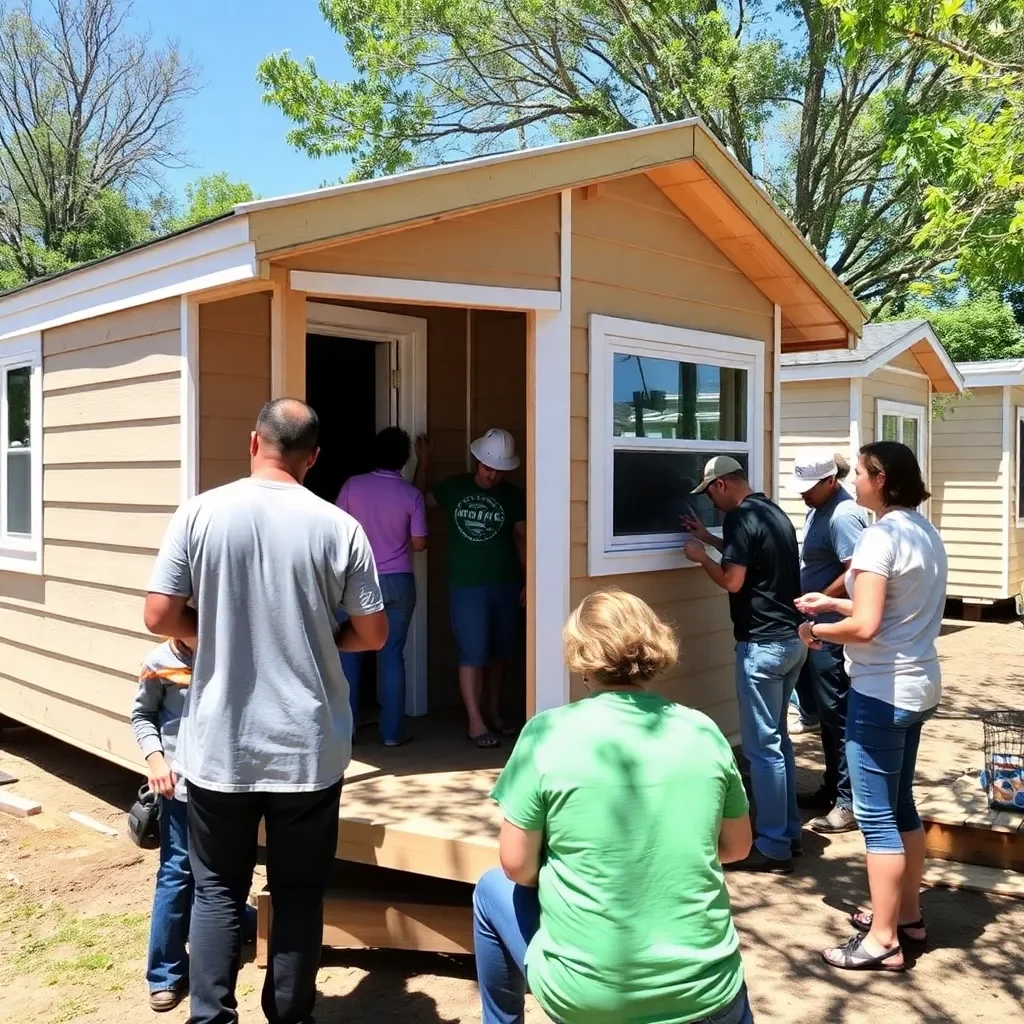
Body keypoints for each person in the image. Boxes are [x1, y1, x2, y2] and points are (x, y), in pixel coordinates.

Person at [144, 398, 388, 1024]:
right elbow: (374, 633)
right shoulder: (340, 526)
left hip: (221, 742)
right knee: (300, 893)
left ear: (255, 443)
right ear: (314, 459)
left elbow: (160, 616)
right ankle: (289, 1015)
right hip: (308, 747)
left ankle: (211, 1017)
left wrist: (220, 630)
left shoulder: (198, 513)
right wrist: (315, 636)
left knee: (218, 890)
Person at [473, 589, 755, 1024]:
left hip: (591, 999)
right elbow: (736, 846)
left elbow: (516, 866)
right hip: (708, 993)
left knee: (491, 889)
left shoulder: (545, 734)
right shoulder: (703, 730)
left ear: (580, 655)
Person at [796, 441, 946, 972]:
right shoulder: (922, 531)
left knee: (877, 819)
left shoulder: (880, 536)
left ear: (881, 478)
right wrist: (834, 600)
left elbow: (865, 627)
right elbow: (895, 605)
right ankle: (908, 916)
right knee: (901, 804)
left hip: (881, 692)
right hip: (918, 684)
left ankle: (883, 941)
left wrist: (817, 629)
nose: (852, 480)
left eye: (857, 472)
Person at [682, 456, 805, 873]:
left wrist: (700, 556)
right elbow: (751, 559)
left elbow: (733, 581)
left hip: (761, 646)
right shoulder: (772, 512)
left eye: (710, 494)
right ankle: (788, 833)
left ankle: (771, 846)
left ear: (722, 485)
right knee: (779, 742)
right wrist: (711, 542)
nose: (712, 505)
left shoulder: (738, 518)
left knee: (761, 749)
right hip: (791, 641)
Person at [131, 636, 257, 1012]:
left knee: (223, 872)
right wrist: (156, 762)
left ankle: (236, 928)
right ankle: (164, 973)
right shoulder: (159, 662)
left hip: (228, 787)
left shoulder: (230, 654)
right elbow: (142, 715)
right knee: (177, 871)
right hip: (182, 790)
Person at [415, 429, 526, 748]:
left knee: (501, 653)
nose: (493, 475)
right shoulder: (455, 487)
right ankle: (475, 722)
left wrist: (529, 581)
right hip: (466, 585)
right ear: (477, 461)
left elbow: (522, 539)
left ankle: (493, 713)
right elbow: (418, 501)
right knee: (473, 653)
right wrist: (424, 464)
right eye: (488, 467)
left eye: (500, 470)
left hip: (505, 583)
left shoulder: (513, 495)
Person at [790, 448, 867, 835]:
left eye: (809, 488)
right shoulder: (819, 508)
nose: (802, 494)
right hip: (816, 625)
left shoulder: (844, 515)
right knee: (826, 714)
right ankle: (832, 789)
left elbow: (856, 572)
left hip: (834, 630)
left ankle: (849, 802)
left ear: (829, 481)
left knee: (839, 715)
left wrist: (821, 596)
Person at [336, 427, 427, 746]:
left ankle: (345, 732)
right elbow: (419, 544)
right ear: (404, 459)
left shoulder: (352, 486)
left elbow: (337, 531)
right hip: (399, 582)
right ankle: (392, 734)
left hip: (357, 581)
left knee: (350, 655)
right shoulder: (410, 495)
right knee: (391, 656)